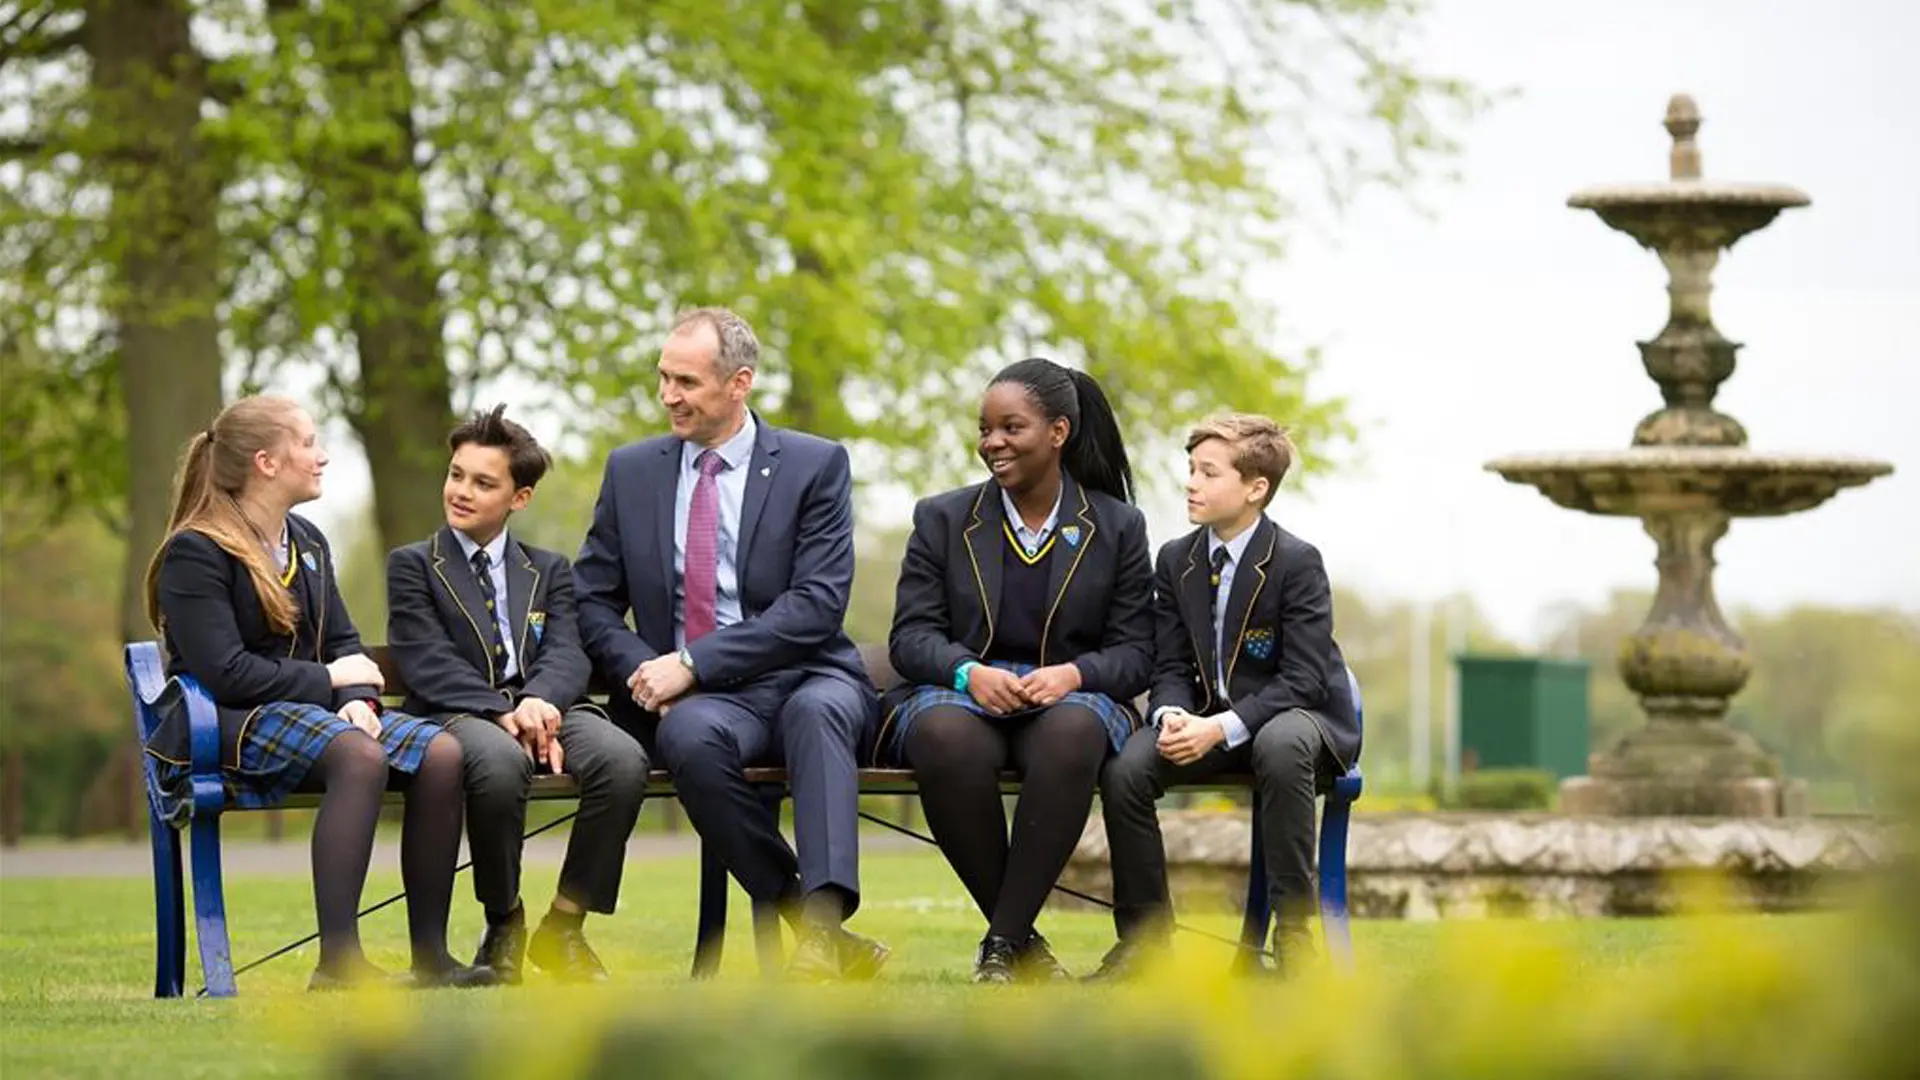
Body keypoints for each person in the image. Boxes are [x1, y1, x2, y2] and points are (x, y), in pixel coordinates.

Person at [573, 307, 888, 981]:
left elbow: (817, 605)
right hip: (707, 703)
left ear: (739, 383)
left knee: (818, 715)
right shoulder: (632, 472)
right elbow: (592, 599)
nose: (668, 396)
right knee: (687, 738)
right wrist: (645, 671)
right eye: (662, 378)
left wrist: (693, 662)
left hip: (808, 674)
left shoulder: (815, 464)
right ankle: (806, 918)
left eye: (685, 381)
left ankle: (824, 924)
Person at [142, 395, 494, 990]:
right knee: (358, 755)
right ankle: (339, 964)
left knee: (441, 752)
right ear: (266, 462)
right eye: (307, 443)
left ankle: (431, 959)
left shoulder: (307, 540)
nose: (322, 455)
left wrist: (359, 697)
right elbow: (226, 673)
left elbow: (346, 645)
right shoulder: (195, 551)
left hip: (308, 717)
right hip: (225, 725)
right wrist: (330, 684)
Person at [879, 357, 1154, 983]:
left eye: (1011, 428)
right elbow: (911, 638)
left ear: (1057, 432)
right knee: (944, 736)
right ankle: (1020, 942)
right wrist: (967, 673)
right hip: (963, 693)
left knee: (1073, 734)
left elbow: (1138, 650)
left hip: (1071, 697)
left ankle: (1002, 942)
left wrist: (1074, 675)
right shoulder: (943, 519)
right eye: (985, 429)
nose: (992, 444)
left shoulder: (1116, 527)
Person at [1088, 414, 1361, 980]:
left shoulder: (1296, 562)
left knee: (1282, 745)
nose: (1191, 483)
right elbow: (1167, 663)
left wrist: (1223, 727)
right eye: (1191, 469)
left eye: (1208, 473)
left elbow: (1305, 679)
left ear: (1255, 488)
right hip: (1207, 723)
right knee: (1127, 769)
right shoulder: (1176, 559)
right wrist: (1170, 715)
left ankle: (1294, 940)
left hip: (1297, 718)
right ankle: (1146, 943)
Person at [386, 405, 649, 984]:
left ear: (518, 498)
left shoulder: (549, 570)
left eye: (483, 482)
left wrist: (540, 702)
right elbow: (426, 659)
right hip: (457, 715)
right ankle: (504, 918)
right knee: (500, 763)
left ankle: (566, 925)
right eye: (457, 474)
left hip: (547, 708)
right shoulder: (413, 566)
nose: (461, 491)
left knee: (623, 760)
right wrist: (504, 712)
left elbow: (567, 650)